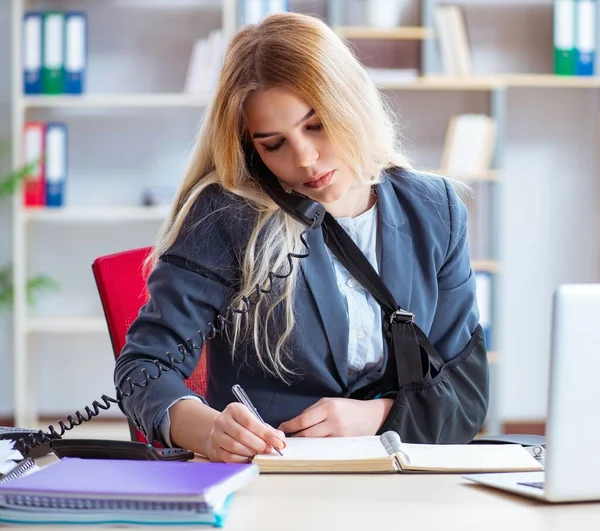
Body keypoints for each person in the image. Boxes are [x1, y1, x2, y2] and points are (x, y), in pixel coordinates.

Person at [114, 12, 489, 464]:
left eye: (316, 125)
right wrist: (207, 428)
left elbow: (465, 392)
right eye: (274, 144)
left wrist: (377, 416)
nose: (306, 160)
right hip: (272, 476)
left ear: (349, 104)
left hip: (400, 472)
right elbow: (143, 369)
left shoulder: (434, 208)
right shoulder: (226, 214)